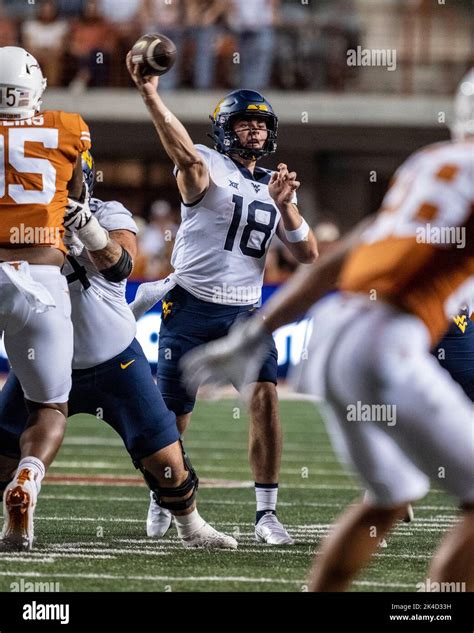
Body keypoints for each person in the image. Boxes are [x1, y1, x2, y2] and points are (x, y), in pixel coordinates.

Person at [181, 69, 474, 590]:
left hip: (338, 333)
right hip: (390, 341)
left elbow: (336, 260)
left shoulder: (426, 163)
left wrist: (254, 333)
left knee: (388, 500)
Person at [0, 152, 238, 550]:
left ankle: (190, 526)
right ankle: (19, 506)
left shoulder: (105, 211)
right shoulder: (17, 219)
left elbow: (120, 265)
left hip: (114, 360)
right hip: (43, 360)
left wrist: (86, 227)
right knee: (1, 462)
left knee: (167, 465)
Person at [126, 56, 318, 544]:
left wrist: (287, 206)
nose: (254, 131)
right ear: (224, 129)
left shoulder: (275, 183)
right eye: (243, 122)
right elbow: (184, 154)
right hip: (190, 305)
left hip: (246, 314)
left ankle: (266, 514)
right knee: (173, 420)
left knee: (266, 401)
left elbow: (309, 254)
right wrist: (151, 95)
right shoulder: (205, 164)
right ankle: (164, 494)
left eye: (260, 123)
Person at [0, 46, 90, 551]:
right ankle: (29, 476)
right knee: (50, 406)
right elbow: (82, 193)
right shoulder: (67, 125)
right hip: (40, 274)